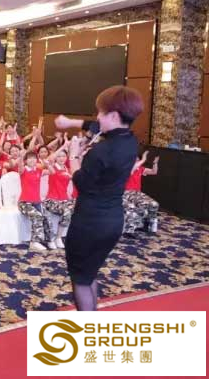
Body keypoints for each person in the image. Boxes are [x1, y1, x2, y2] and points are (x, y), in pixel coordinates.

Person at [55, 85, 143, 311]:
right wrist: (70, 122)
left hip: (89, 222)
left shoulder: (101, 152)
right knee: (89, 273)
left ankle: (87, 328)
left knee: (81, 279)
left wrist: (74, 155)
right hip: (113, 220)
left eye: (101, 113)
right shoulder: (129, 140)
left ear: (113, 115)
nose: (97, 118)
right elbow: (96, 127)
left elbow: (81, 182)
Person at [16, 151, 52, 250]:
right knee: (37, 216)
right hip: (24, 202)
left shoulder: (39, 171)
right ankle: (34, 242)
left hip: (37, 201)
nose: (32, 160)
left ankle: (48, 240)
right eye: (29, 158)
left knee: (47, 216)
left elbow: (52, 172)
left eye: (34, 158)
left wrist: (47, 164)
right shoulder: (23, 170)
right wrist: (21, 156)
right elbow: (20, 166)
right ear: (26, 161)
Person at [41, 147, 75, 248]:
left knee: (78, 208)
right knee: (67, 211)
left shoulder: (67, 169)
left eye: (63, 156)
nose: (61, 158)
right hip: (51, 200)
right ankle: (55, 238)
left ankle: (60, 237)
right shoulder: (52, 167)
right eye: (59, 156)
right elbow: (49, 159)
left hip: (64, 200)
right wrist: (63, 145)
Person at [123, 151, 160, 236]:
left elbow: (154, 172)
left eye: (138, 160)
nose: (137, 161)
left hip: (137, 193)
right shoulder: (127, 168)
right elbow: (133, 168)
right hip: (126, 193)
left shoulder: (141, 169)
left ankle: (149, 227)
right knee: (134, 206)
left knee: (154, 204)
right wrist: (143, 159)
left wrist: (155, 163)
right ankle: (129, 230)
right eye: (135, 160)